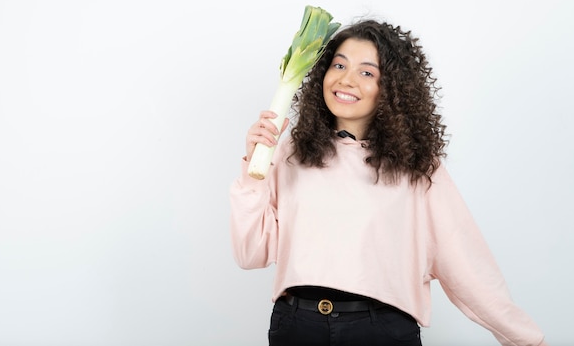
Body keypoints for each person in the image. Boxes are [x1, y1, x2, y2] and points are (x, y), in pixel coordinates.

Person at [229, 19, 548, 346]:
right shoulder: (290, 153)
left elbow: (468, 269)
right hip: (296, 326)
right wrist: (253, 172)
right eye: (339, 65)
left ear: (391, 87)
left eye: (366, 72)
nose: (346, 79)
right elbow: (250, 252)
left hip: (380, 330)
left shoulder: (417, 167)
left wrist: (527, 340)